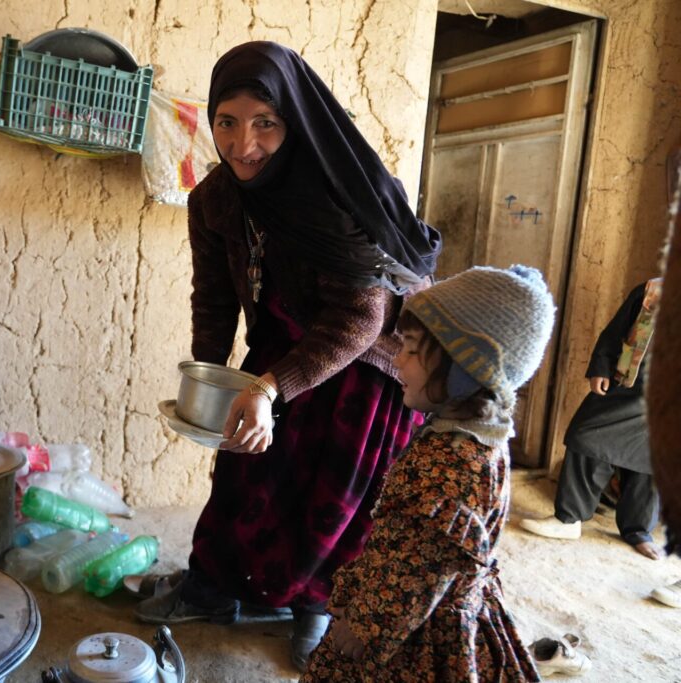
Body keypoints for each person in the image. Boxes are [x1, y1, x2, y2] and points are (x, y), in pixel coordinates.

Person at [135, 41, 442, 670]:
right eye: (227, 121)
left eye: (265, 123)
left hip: (367, 363)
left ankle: (316, 607)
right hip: (282, 343)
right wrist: (211, 382)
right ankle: (216, 587)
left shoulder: (337, 195)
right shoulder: (214, 200)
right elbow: (214, 297)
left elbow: (363, 317)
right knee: (243, 468)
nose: (243, 143)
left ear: (293, 121)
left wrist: (271, 388)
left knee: (332, 492)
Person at [301, 265, 555, 682]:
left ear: (466, 368)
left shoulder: (448, 465)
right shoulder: (477, 438)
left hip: (410, 633)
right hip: (436, 607)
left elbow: (419, 573)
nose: (397, 357)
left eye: (414, 349)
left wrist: (365, 627)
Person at [520, 279, 664, 560]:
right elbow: (616, 330)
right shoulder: (652, 289)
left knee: (653, 462)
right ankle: (569, 518)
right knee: (585, 435)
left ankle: (638, 531)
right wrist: (601, 366)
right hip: (629, 385)